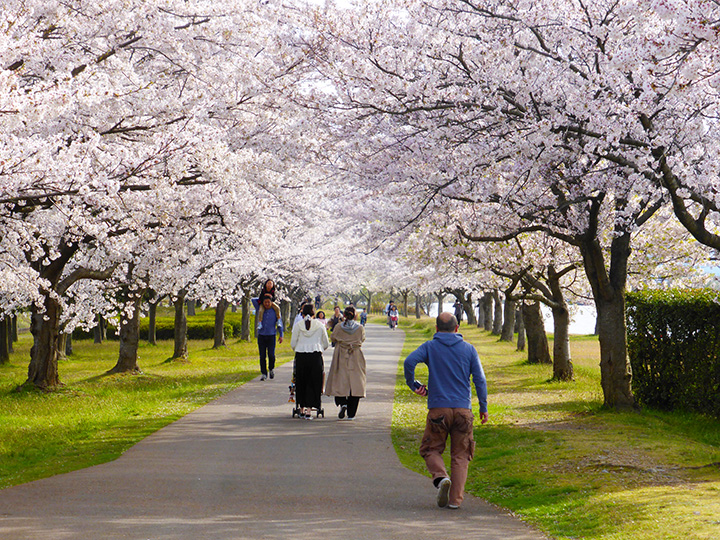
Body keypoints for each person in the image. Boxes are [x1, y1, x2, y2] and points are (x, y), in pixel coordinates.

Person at [403, 312, 488, 510]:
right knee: (461, 454)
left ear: (436, 328)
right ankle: (455, 501)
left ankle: (441, 477)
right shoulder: (469, 349)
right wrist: (483, 407)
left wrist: (413, 384)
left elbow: (409, 362)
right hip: (462, 410)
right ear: (457, 328)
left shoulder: (430, 347)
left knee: (430, 449)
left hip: (438, 409)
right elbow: (480, 379)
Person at [325, 306, 366, 420]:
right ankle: (351, 413)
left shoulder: (339, 327)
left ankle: (342, 403)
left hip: (341, 355)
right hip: (355, 355)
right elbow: (362, 339)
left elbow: (333, 338)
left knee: (339, 380)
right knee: (355, 382)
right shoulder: (360, 328)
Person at [290, 304, 330, 420]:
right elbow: (326, 343)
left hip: (301, 355)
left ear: (302, 314)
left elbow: (293, 343)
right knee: (314, 382)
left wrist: (299, 347)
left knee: (301, 380)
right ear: (314, 313)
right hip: (315, 355)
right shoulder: (320, 325)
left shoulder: (298, 325)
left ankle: (301, 408)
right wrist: (319, 347)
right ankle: (309, 409)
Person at [252, 294, 284, 380]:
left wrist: (281, 335)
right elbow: (253, 300)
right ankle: (263, 373)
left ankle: (271, 368)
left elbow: (280, 324)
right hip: (262, 336)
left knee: (271, 355)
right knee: (262, 356)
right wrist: (263, 294)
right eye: (265, 302)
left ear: (271, 302)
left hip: (271, 335)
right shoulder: (260, 309)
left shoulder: (275, 310)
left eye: (268, 302)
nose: (267, 304)